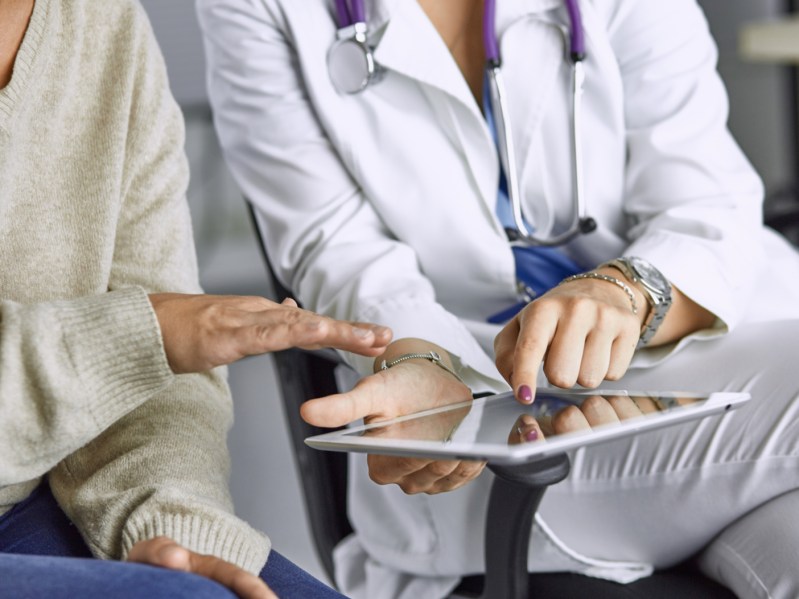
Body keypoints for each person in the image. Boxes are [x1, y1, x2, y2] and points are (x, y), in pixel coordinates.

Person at [198, 0, 799, 597]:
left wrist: (626, 292)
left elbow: (705, 194)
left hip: (726, 365)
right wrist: (424, 361)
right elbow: (335, 247)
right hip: (500, 426)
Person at [0, 1, 393, 598]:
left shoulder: (105, 23)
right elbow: (155, 340)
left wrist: (170, 526)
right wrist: (139, 337)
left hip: (27, 507)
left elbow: (160, 378)